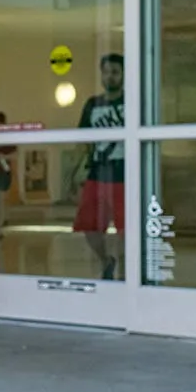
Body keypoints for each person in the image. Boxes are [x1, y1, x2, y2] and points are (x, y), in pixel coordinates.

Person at [75, 53, 126, 278]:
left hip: (125, 174)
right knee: (89, 226)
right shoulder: (92, 104)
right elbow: (82, 140)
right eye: (106, 72)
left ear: (123, 74)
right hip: (97, 173)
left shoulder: (131, 102)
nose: (110, 77)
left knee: (127, 228)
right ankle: (107, 261)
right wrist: (76, 171)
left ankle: (127, 275)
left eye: (115, 72)